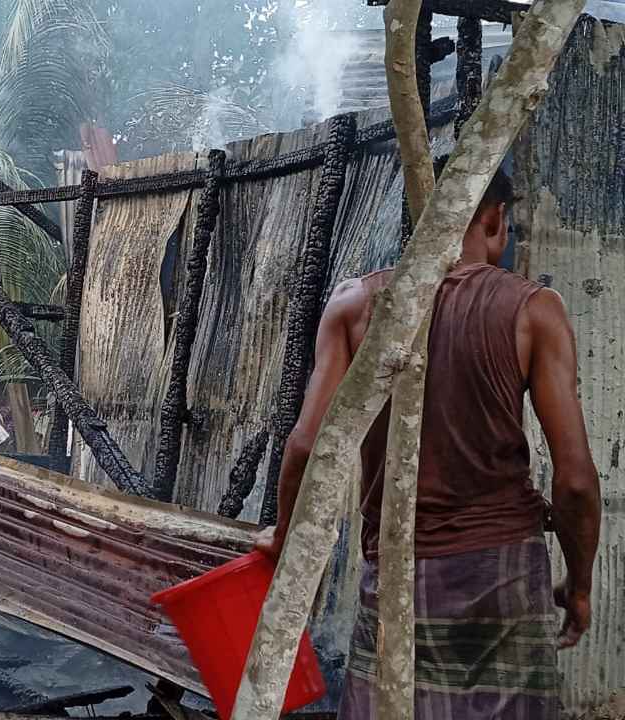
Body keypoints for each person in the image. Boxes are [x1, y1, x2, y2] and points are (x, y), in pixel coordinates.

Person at [257, 170, 601, 719]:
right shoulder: (535, 311)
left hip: (396, 569)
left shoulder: (355, 306)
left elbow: (306, 447)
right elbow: (577, 480)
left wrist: (282, 535)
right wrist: (579, 584)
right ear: (494, 220)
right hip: (503, 573)